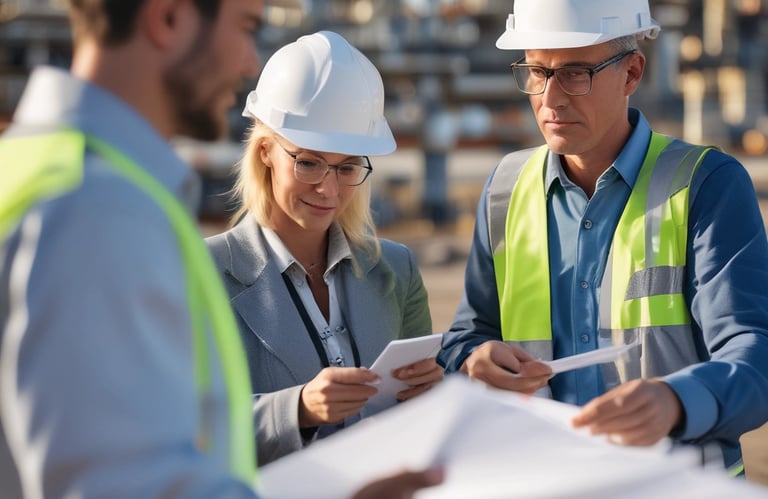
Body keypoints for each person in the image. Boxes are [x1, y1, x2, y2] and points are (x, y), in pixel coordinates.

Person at [0, 0, 442, 497]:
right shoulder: (94, 204)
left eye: (346, 168)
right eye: (246, 26)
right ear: (168, 16)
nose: (249, 63)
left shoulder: (45, 171)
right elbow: (112, 481)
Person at [437, 0, 768, 472]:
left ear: (632, 73)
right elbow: (468, 335)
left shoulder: (706, 184)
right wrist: (473, 359)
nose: (551, 99)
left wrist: (676, 401)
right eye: (536, 71)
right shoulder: (504, 190)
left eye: (574, 73)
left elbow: (755, 353)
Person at [205, 30, 444, 465]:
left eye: (348, 166)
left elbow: (424, 418)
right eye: (309, 162)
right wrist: (297, 410)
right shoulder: (202, 273)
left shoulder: (396, 268)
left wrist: (432, 392)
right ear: (265, 151)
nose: (328, 189)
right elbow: (183, 427)